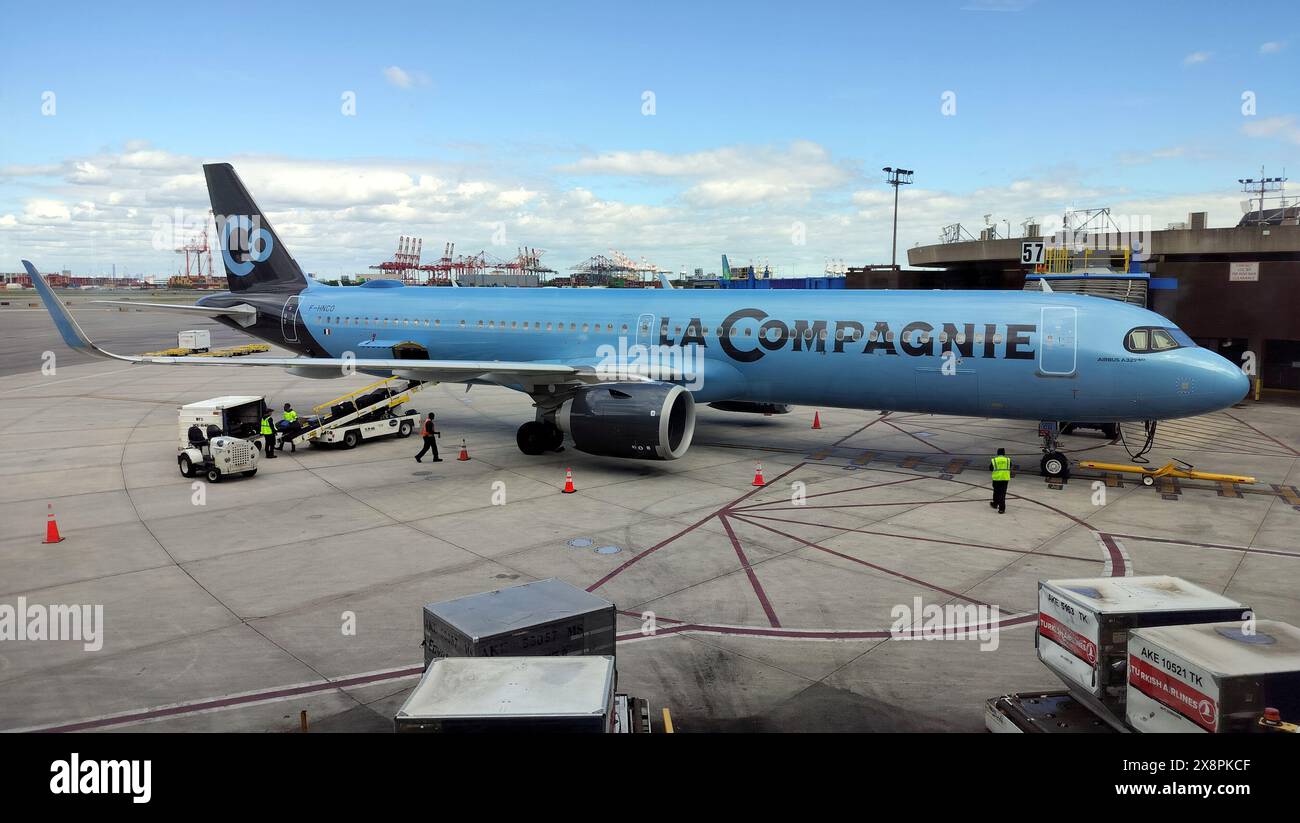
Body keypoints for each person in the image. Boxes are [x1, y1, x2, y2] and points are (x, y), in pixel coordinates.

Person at [989, 447, 1011, 514]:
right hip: (1005, 479)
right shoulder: (1008, 460)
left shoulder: (994, 460)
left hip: (997, 479)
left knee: (996, 492)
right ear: (1004, 453)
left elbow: (990, 468)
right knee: (1002, 494)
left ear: (997, 453)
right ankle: (1002, 509)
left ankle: (995, 504)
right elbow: (1010, 466)